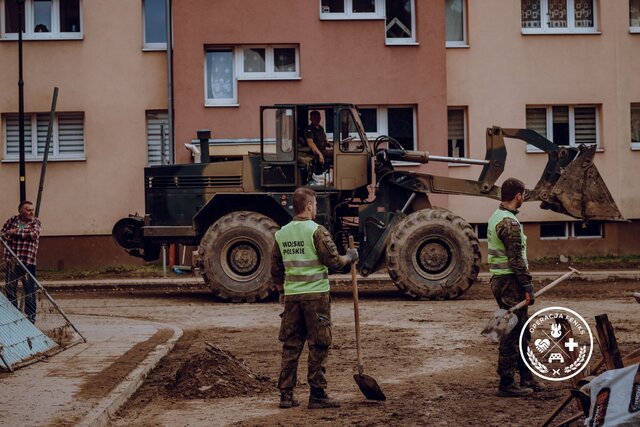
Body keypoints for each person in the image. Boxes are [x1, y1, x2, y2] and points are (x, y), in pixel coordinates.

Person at [271, 187, 358, 409]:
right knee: (319, 344)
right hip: (316, 297)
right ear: (309, 206)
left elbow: (276, 270)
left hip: (292, 298)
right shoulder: (316, 231)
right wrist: (350, 256)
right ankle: (317, 395)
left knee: (291, 345)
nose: (316, 208)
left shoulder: (281, 234)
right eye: (315, 205)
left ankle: (286, 396)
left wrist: (284, 292)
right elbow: (335, 263)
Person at [487, 178, 543, 397]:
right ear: (518, 195)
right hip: (511, 283)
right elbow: (516, 259)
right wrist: (527, 285)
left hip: (501, 280)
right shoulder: (509, 223)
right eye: (523, 195)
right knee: (511, 333)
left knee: (521, 331)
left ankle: (527, 377)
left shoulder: (496, 216)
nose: (524, 198)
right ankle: (507, 382)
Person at [2, 201, 42, 323]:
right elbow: (3, 234)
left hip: (27, 262)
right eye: (28, 209)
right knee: (10, 289)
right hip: (12, 262)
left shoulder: (35, 222)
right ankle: (13, 318)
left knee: (29, 290)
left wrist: (14, 232)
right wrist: (9, 234)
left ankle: (30, 318)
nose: (31, 212)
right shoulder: (12, 220)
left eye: (32, 209)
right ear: (21, 210)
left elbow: (33, 234)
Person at [299, 111, 332, 180]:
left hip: (323, 151)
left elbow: (325, 140)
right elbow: (310, 143)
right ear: (310, 119)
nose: (316, 119)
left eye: (318, 118)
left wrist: (331, 145)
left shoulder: (321, 128)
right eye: (314, 118)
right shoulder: (309, 129)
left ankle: (330, 177)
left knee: (335, 154)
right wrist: (320, 155)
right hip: (314, 154)